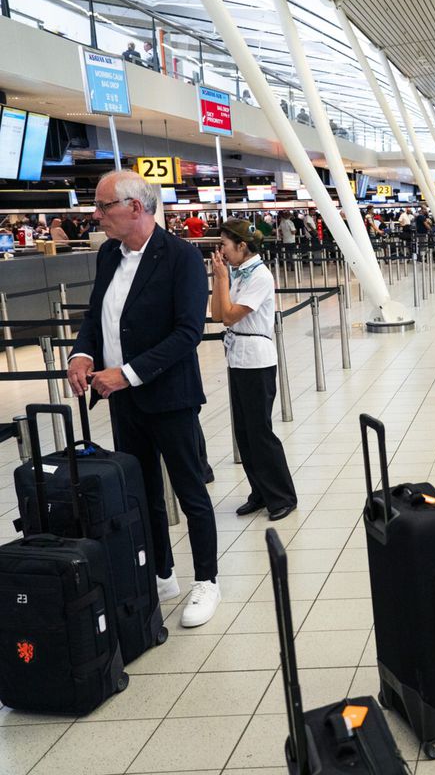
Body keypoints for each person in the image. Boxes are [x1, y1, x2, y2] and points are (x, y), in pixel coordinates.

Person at [66, 170, 220, 628]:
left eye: (103, 207)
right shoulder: (108, 255)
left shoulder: (180, 258)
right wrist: (82, 353)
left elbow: (188, 332)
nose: (96, 216)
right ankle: (160, 571)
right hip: (122, 400)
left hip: (169, 397)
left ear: (136, 207)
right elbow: (98, 315)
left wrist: (127, 375)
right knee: (141, 490)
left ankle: (207, 580)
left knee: (190, 490)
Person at [210, 219, 297, 523]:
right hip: (238, 359)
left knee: (260, 432)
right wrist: (219, 279)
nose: (221, 250)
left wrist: (222, 278)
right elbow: (217, 313)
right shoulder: (236, 274)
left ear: (241, 246)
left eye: (224, 244)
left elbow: (231, 316)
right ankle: (259, 491)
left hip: (257, 360)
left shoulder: (259, 275)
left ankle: (282, 495)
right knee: (244, 433)